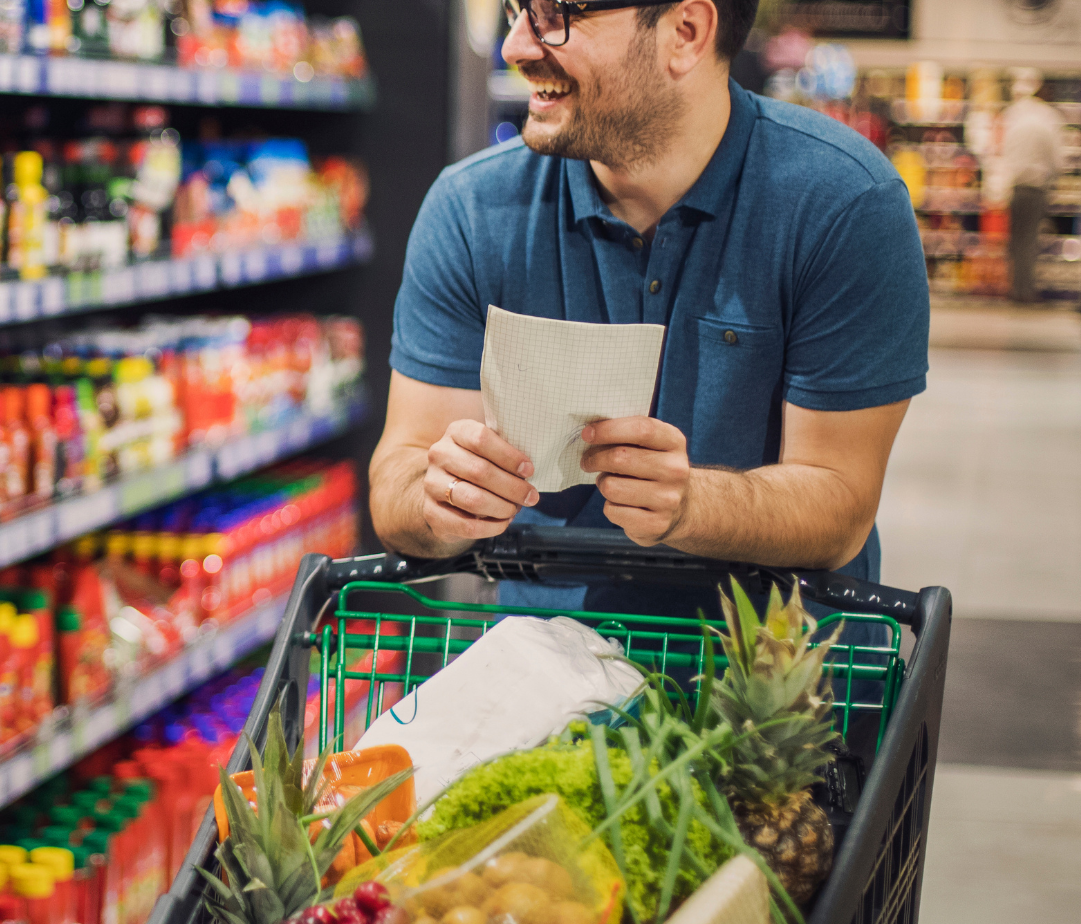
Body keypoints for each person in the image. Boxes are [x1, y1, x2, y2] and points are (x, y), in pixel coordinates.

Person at [368, 0, 929, 622]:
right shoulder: (472, 210)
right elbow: (399, 481)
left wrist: (692, 504)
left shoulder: (843, 204)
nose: (516, 46)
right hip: (542, 686)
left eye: (556, 13)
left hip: (781, 691)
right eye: (515, 9)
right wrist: (439, 499)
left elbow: (841, 503)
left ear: (685, 33)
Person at [1001, 67, 1065, 303]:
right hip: (1037, 187)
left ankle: (1017, 288)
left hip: (1016, 187)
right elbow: (1057, 158)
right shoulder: (1048, 117)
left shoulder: (1013, 115)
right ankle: (1025, 292)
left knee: (1017, 241)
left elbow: (1004, 152)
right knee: (1029, 240)